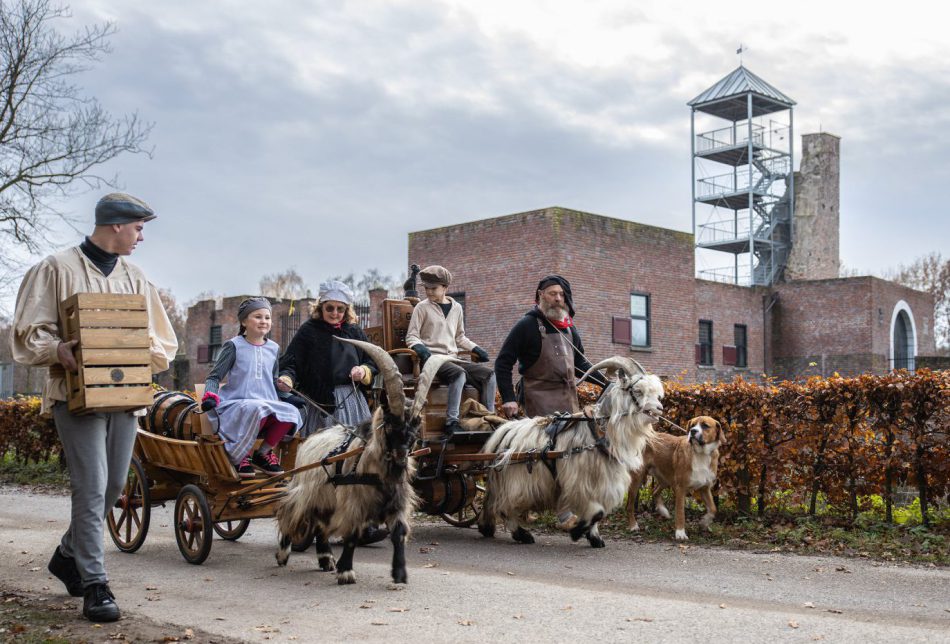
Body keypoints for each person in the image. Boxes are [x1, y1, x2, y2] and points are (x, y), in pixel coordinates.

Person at [10, 193, 178, 623]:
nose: (141, 237)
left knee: (112, 486)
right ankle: (95, 583)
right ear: (116, 225)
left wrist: (136, 351)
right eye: (138, 228)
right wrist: (59, 349)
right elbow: (28, 334)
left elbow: (164, 343)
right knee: (91, 486)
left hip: (126, 398)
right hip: (75, 396)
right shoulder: (56, 269)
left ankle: (67, 555)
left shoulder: (137, 278)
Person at [494, 274, 607, 530]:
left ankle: (564, 510)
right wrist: (509, 400)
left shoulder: (568, 328)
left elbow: (581, 365)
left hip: (568, 402)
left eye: (561, 295)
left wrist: (607, 382)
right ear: (540, 294)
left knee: (573, 457)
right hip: (537, 401)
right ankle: (533, 508)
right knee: (545, 459)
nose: (558, 299)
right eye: (552, 293)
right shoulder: (527, 325)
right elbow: (503, 362)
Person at [201, 298, 301, 478]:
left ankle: (263, 453)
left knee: (292, 412)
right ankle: (240, 456)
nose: (264, 321)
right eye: (258, 316)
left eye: (267, 317)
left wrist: (287, 396)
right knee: (257, 408)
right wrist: (209, 395)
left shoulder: (274, 348)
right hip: (237, 404)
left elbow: (273, 380)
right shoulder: (234, 346)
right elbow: (214, 376)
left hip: (266, 403)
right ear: (244, 321)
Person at [277, 280, 378, 437]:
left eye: (340, 309)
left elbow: (371, 361)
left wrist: (363, 371)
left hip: (350, 401)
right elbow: (292, 362)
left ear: (347, 310)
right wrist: (287, 378)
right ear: (321, 307)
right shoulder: (308, 331)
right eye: (330, 308)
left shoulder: (354, 331)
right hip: (317, 402)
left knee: (354, 447)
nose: (335, 313)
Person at [405, 265, 497, 436]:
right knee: (458, 374)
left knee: (489, 375)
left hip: (453, 359)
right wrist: (421, 349)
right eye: (426, 288)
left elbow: (460, 337)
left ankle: (488, 418)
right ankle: (452, 422)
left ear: (445, 288)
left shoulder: (457, 308)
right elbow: (411, 336)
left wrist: (476, 348)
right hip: (432, 360)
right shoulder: (421, 308)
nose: (429, 292)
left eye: (433, 288)